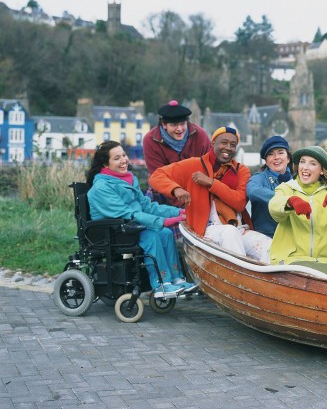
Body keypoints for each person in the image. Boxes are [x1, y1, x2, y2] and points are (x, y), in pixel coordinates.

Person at [86, 141, 197, 298]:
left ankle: (176, 279)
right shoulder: (101, 187)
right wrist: (162, 221)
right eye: (116, 158)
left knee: (165, 233)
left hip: (132, 227)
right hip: (113, 231)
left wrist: (178, 211)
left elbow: (147, 206)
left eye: (124, 155)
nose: (123, 160)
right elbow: (127, 213)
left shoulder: (129, 178)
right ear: (105, 163)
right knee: (154, 235)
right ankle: (161, 284)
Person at [148, 126, 272, 262]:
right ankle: (243, 278)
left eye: (233, 145)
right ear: (212, 144)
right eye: (224, 142)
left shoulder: (241, 170)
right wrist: (176, 189)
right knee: (229, 232)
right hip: (206, 230)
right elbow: (157, 176)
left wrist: (211, 183)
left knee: (270, 247)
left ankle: (269, 282)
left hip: (239, 228)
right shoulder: (193, 164)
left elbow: (240, 203)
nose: (228, 148)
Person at [269, 146, 327, 281]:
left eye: (312, 163)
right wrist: (291, 202)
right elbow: (274, 208)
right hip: (291, 258)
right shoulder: (286, 188)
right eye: (302, 161)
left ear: (322, 170)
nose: (305, 167)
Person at [143, 99, 211, 206]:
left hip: (197, 185)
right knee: (153, 190)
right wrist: (182, 206)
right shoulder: (150, 140)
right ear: (164, 124)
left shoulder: (200, 135)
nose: (179, 129)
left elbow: (210, 168)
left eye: (183, 124)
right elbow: (157, 175)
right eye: (174, 125)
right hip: (166, 188)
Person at [246, 135, 293, 237]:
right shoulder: (259, 178)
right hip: (266, 237)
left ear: (288, 158)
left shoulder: (297, 180)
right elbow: (252, 191)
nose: (276, 157)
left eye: (280, 152)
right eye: (271, 154)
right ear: (266, 161)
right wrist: (286, 201)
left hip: (292, 238)